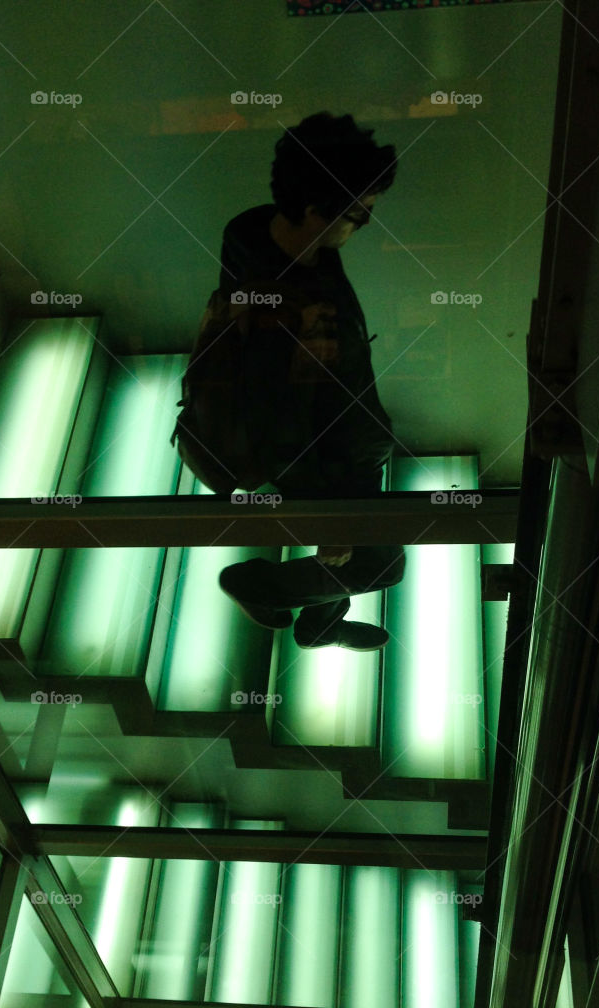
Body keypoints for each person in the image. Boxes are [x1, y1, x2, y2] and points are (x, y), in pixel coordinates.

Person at [217, 111, 406, 651]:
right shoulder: (291, 305)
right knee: (383, 564)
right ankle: (267, 589)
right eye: (358, 217)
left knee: (359, 558)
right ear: (311, 208)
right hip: (331, 463)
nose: (362, 227)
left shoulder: (252, 230)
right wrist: (328, 517)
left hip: (345, 445)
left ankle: (321, 617)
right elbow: (283, 418)